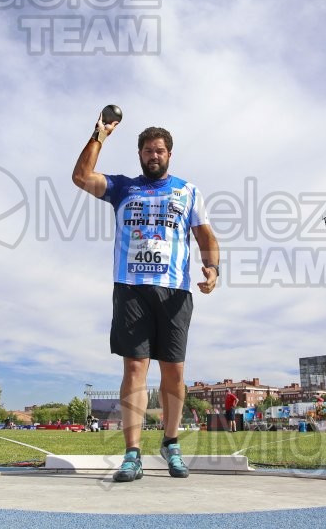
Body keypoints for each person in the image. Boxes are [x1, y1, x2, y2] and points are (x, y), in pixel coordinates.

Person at [72, 113, 219, 482]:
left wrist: (213, 269)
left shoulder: (188, 190)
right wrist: (99, 136)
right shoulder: (124, 188)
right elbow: (81, 178)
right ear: (139, 154)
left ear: (169, 154)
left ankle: (170, 443)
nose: (154, 155)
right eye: (147, 150)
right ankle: (132, 454)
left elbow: (205, 237)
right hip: (130, 288)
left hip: (174, 292)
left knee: (174, 371)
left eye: (160, 150)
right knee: (135, 368)